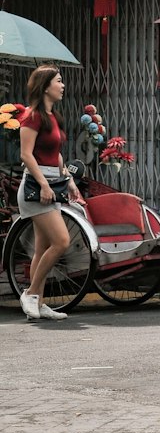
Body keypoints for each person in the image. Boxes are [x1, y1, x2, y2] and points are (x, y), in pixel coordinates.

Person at [17, 65, 85, 322]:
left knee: (43, 247)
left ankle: (39, 302)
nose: (63, 85)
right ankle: (31, 293)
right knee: (62, 242)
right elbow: (26, 154)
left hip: (52, 185)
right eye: (59, 81)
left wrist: (67, 179)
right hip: (37, 190)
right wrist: (44, 184)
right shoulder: (32, 116)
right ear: (46, 86)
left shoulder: (51, 116)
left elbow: (54, 153)